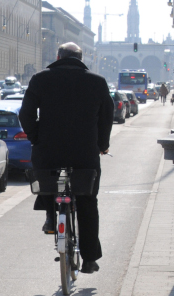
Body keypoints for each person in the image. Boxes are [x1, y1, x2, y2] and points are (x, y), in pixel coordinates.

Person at [19, 42, 113, 274]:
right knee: (87, 201)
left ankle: (51, 219)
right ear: (81, 59)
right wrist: (102, 145)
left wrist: (35, 137)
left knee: (48, 182)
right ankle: (89, 259)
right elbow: (106, 117)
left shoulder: (41, 79)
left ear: (58, 57)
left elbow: (26, 113)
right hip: (84, 154)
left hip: (49, 152)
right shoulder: (97, 82)